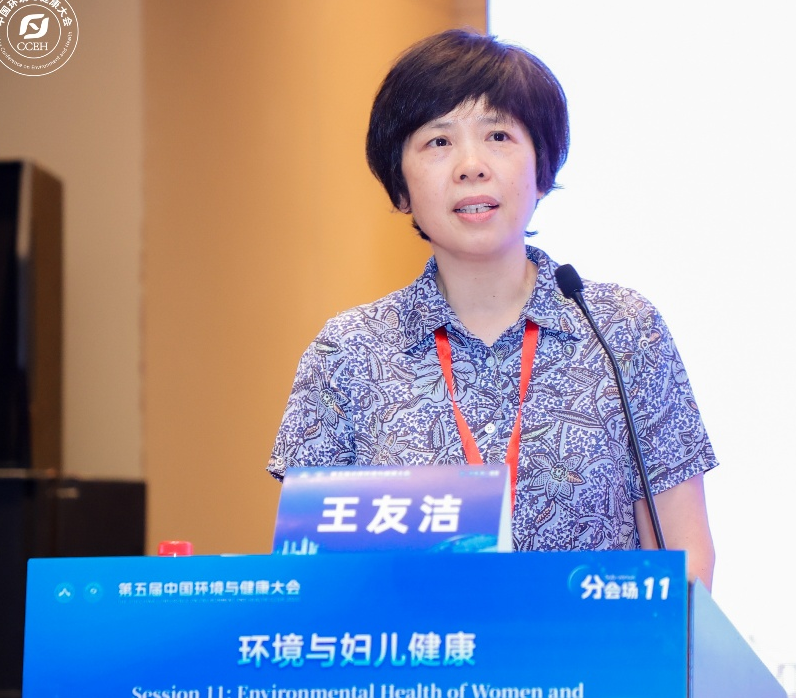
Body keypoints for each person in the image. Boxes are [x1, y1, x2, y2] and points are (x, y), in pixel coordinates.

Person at [267, 29, 717, 589]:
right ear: (400, 187)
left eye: (498, 135)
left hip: (598, 646)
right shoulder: (347, 353)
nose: (471, 165)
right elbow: (312, 578)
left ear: (542, 168)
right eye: (438, 141)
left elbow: (685, 558)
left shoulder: (622, 331)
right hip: (424, 646)